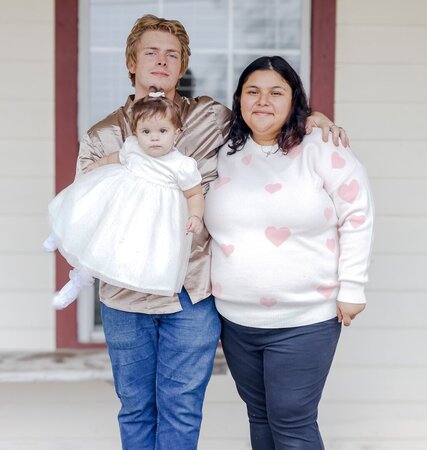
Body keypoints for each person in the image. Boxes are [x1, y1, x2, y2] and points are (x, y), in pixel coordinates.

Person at [75, 14, 349, 450]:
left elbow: (263, 115)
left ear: (182, 66)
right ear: (131, 62)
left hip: (193, 292)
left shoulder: (211, 118)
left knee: (182, 405)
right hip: (124, 294)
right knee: (135, 406)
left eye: (172, 55)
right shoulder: (102, 136)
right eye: (151, 53)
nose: (161, 62)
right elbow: (83, 215)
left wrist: (310, 115)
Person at [204, 56, 374, 449]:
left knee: (292, 420)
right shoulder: (220, 150)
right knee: (260, 416)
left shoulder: (321, 147)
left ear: (294, 99)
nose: (263, 101)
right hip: (236, 319)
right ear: (239, 100)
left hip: (305, 318)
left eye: (276, 92)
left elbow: (358, 213)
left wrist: (353, 287)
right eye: (253, 92)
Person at [46, 92, 204, 310]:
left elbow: (194, 193)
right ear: (136, 133)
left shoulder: (182, 165)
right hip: (120, 208)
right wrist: (98, 165)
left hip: (148, 221)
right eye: (146, 131)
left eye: (163, 131)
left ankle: (78, 283)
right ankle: (59, 235)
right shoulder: (133, 147)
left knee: (117, 252)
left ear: (177, 133)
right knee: (91, 218)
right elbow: (115, 158)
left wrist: (195, 215)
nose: (154, 137)